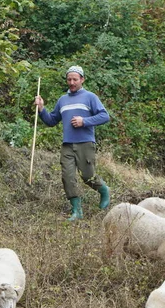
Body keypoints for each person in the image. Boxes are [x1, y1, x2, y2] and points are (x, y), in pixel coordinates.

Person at [34, 65, 110, 221]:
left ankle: (103, 190)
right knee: (67, 177)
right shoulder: (63, 100)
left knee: (87, 176)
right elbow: (51, 121)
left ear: (82, 79)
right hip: (67, 145)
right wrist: (41, 109)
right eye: (69, 79)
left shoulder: (90, 97)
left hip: (85, 143)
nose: (72, 82)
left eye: (75, 79)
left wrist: (85, 121)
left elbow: (104, 116)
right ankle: (77, 211)